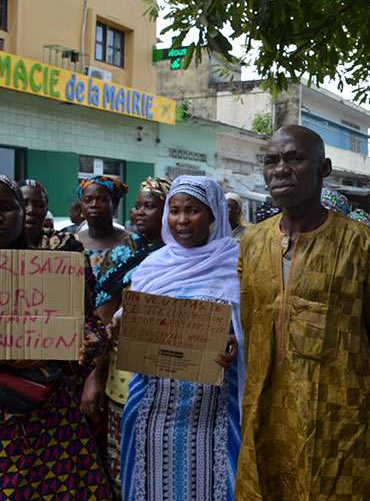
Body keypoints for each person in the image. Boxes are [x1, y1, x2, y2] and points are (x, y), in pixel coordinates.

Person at [235, 125, 370, 500]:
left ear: (323, 168)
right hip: (268, 411)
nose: (281, 169)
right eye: (271, 160)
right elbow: (250, 324)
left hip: (342, 418)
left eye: (295, 158)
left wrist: (351, 387)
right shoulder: (252, 242)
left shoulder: (358, 241)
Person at [119, 176, 243, 501]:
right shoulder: (151, 268)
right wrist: (118, 331)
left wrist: (239, 347)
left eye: (193, 211)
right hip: (152, 414)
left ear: (214, 214)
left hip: (214, 417)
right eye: (174, 211)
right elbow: (126, 322)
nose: (182, 220)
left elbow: (256, 330)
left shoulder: (237, 266)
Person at [0, 176, 113, 499]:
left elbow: (87, 321)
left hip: (50, 421)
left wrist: (88, 341)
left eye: (7, 208)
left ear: (23, 214)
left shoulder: (55, 265)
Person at [89, 177, 171, 494]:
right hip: (126, 379)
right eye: (137, 206)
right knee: (125, 467)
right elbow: (103, 319)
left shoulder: (186, 257)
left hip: (173, 380)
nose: (139, 213)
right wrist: (95, 375)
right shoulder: (123, 254)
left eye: (149, 206)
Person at [75, 175, 132, 277]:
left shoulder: (132, 243)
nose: (94, 205)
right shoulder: (73, 243)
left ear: (114, 203)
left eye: (102, 199)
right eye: (88, 200)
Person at [19, 178, 50, 247]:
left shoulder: (66, 243)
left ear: (46, 211)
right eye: (24, 204)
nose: (31, 210)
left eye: (39, 205)